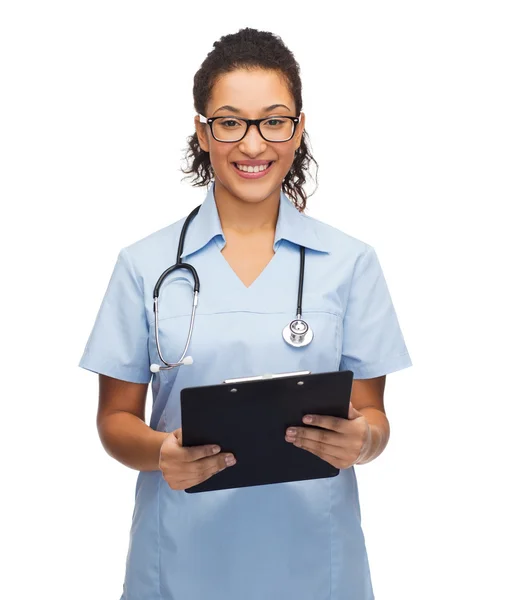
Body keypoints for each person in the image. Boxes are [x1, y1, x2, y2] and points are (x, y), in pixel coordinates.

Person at [78, 27, 412, 600]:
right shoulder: (145, 265)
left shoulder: (351, 263)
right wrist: (161, 453)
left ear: (299, 129)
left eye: (273, 121)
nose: (253, 146)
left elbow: (373, 415)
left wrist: (361, 442)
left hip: (316, 566)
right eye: (230, 122)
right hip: (182, 564)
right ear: (202, 133)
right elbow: (115, 422)